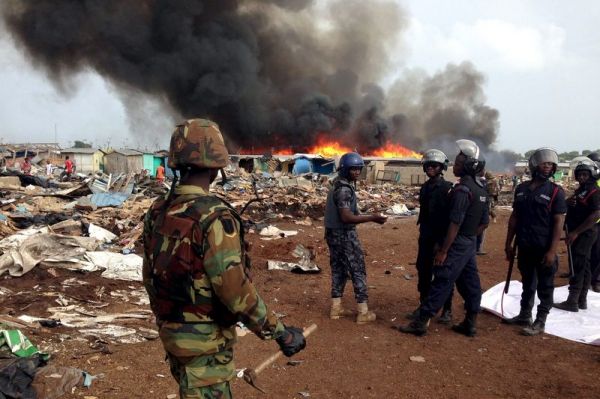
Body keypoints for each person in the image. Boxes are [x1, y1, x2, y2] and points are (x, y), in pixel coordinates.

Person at [142, 119, 306, 398]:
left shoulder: (158, 211)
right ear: (217, 165)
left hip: (173, 337)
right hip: (205, 347)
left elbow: (149, 275)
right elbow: (234, 290)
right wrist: (280, 333)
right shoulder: (214, 216)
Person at [398, 139, 489, 337]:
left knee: (442, 279)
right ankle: (470, 321)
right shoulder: (480, 189)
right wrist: (468, 238)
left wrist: (445, 249)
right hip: (466, 242)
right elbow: (484, 222)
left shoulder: (461, 190)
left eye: (457, 163)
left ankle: (421, 322)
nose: (454, 166)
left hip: (454, 242)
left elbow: (454, 222)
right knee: (470, 282)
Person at [503, 148, 566, 336]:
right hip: (525, 245)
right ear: (534, 165)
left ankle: (540, 321)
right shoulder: (522, 189)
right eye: (544, 163)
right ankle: (524, 314)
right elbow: (514, 217)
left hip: (544, 247)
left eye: (551, 164)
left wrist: (552, 251)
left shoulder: (556, 192)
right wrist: (509, 243)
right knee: (527, 282)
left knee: (545, 285)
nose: (548, 167)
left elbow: (558, 222)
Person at [325, 152, 387, 324]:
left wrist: (366, 214)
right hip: (345, 235)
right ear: (344, 170)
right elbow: (346, 217)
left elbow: (350, 213)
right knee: (357, 269)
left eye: (358, 169)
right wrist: (372, 218)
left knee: (338, 269)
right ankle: (363, 312)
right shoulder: (344, 189)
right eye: (353, 169)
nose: (356, 173)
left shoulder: (337, 185)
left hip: (332, 234)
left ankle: (336, 308)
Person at [406, 149, 454, 324]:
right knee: (423, 270)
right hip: (425, 236)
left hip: (440, 238)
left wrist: (442, 245)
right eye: (428, 165)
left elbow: (449, 219)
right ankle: (423, 306)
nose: (430, 168)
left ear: (441, 168)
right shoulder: (425, 188)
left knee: (442, 274)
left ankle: (447, 310)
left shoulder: (447, 188)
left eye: (434, 166)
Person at [553, 158, 600, 311]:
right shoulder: (582, 190)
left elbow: (596, 214)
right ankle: (581, 300)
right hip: (579, 233)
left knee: (577, 266)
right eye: (579, 174)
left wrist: (575, 232)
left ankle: (572, 301)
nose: (581, 177)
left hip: (584, 234)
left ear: (591, 175)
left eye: (585, 175)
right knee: (584, 266)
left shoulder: (594, 191)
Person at [587, 152, 600, 293]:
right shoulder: (589, 179)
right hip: (587, 221)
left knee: (597, 252)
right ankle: (587, 277)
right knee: (586, 251)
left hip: (597, 221)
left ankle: (596, 281)